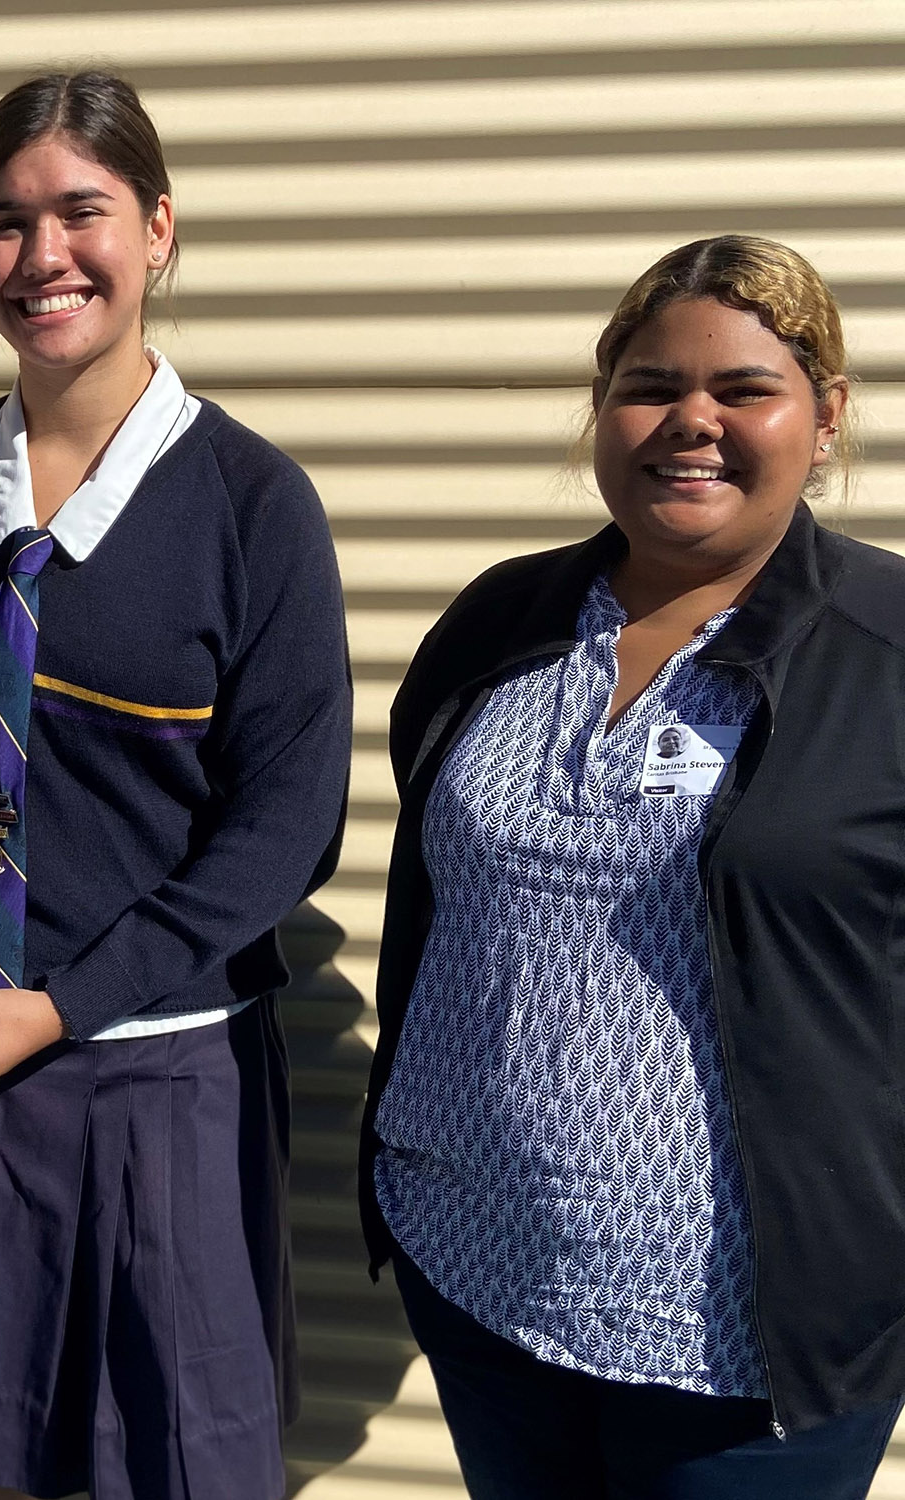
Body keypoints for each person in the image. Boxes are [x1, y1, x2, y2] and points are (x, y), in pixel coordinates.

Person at [0, 72, 353, 1500]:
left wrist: (67, 1001)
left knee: (157, 1460)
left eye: (83, 212)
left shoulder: (252, 507)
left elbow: (288, 828)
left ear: (160, 231)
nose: (43, 255)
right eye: (5, 222)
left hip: (155, 1071)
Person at [361, 235, 905, 1497]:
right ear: (602, 408)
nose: (689, 422)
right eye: (649, 385)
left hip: (742, 1350)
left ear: (823, 420)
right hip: (478, 1270)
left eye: (743, 391)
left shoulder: (885, 656)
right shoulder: (498, 621)